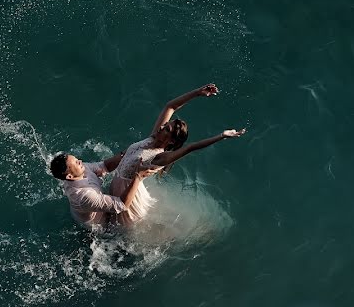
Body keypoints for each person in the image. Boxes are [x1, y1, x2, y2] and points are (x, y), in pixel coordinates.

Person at [109, 83, 247, 225]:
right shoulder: (153, 137)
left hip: (127, 196)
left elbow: (191, 148)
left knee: (114, 230)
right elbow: (170, 107)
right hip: (118, 184)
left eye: (166, 129)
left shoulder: (159, 158)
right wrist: (197, 93)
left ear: (171, 140)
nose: (162, 126)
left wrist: (221, 136)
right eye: (165, 125)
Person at [50, 151, 153, 230]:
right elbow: (122, 205)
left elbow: (104, 166)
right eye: (77, 163)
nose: (81, 161)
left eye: (77, 159)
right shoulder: (83, 196)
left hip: (87, 209)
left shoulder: (80, 170)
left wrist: (126, 154)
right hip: (98, 229)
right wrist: (138, 177)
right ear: (70, 176)